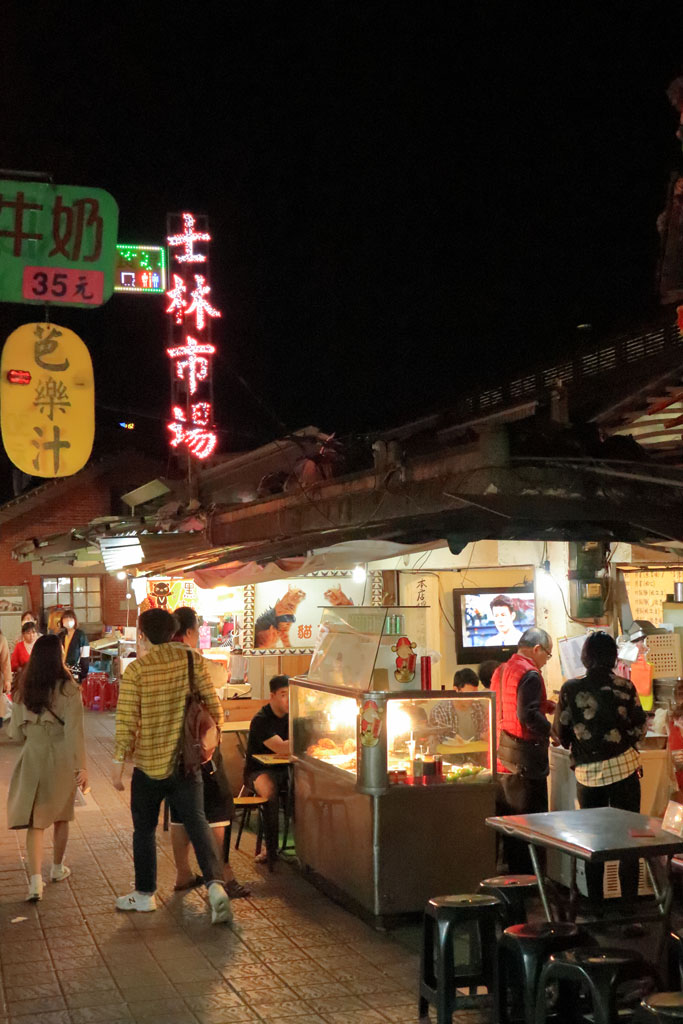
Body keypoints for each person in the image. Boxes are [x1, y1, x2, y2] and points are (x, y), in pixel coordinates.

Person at [112, 608, 232, 924]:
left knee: (144, 830)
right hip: (186, 763)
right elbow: (214, 706)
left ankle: (144, 895)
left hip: (148, 765)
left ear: (142, 634)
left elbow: (126, 720)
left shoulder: (137, 670)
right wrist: (212, 734)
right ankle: (216, 887)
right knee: (197, 821)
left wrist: (118, 766)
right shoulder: (191, 660)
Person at [554, 631, 646, 904]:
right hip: (624, 769)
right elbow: (640, 726)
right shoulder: (625, 687)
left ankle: (596, 906)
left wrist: (581, 744)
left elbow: (560, 731)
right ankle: (628, 908)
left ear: (585, 657)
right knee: (628, 840)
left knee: (593, 842)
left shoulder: (570, 688)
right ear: (613, 657)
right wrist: (620, 742)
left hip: (588, 774)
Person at [169, 607, 250, 899]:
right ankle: (221, 876)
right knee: (217, 808)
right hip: (200, 747)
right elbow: (217, 680)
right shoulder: (193, 659)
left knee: (179, 811)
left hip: (171, 750)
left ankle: (182, 873)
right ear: (190, 632)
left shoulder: (157, 660)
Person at [6, 635, 87, 901]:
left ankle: (34, 883)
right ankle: (56, 868)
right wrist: (81, 767)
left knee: (35, 821)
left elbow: (15, 735)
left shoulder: (22, 688)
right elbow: (75, 732)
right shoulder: (69, 689)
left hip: (32, 755)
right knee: (62, 815)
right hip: (61, 755)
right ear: (58, 656)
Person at [490, 627, 555, 872]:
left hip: (501, 757)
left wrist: (546, 705)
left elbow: (510, 706)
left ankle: (513, 882)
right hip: (525, 760)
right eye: (547, 656)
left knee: (511, 825)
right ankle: (530, 882)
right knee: (531, 825)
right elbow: (526, 715)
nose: (546, 662)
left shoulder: (502, 670)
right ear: (537, 649)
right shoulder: (530, 673)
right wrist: (551, 730)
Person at [244, 675, 290, 865]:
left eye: (291, 695)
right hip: (258, 771)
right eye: (283, 695)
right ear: (272, 695)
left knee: (305, 793)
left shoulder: (294, 717)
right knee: (270, 794)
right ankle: (271, 851)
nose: (288, 700)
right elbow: (282, 748)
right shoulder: (261, 720)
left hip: (286, 770)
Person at [429, 668, 488, 743]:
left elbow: (485, 731)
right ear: (456, 690)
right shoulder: (440, 710)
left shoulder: (478, 707)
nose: (472, 698)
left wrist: (486, 736)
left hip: (475, 753)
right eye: (468, 694)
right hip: (450, 754)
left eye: (475, 694)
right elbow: (438, 739)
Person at [58, 609, 90, 684]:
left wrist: (83, 675)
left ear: (75, 620)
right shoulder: (60, 636)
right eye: (65, 618)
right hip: (61, 673)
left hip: (75, 674)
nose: (68, 620)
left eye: (70, 618)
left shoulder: (81, 635)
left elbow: (85, 657)